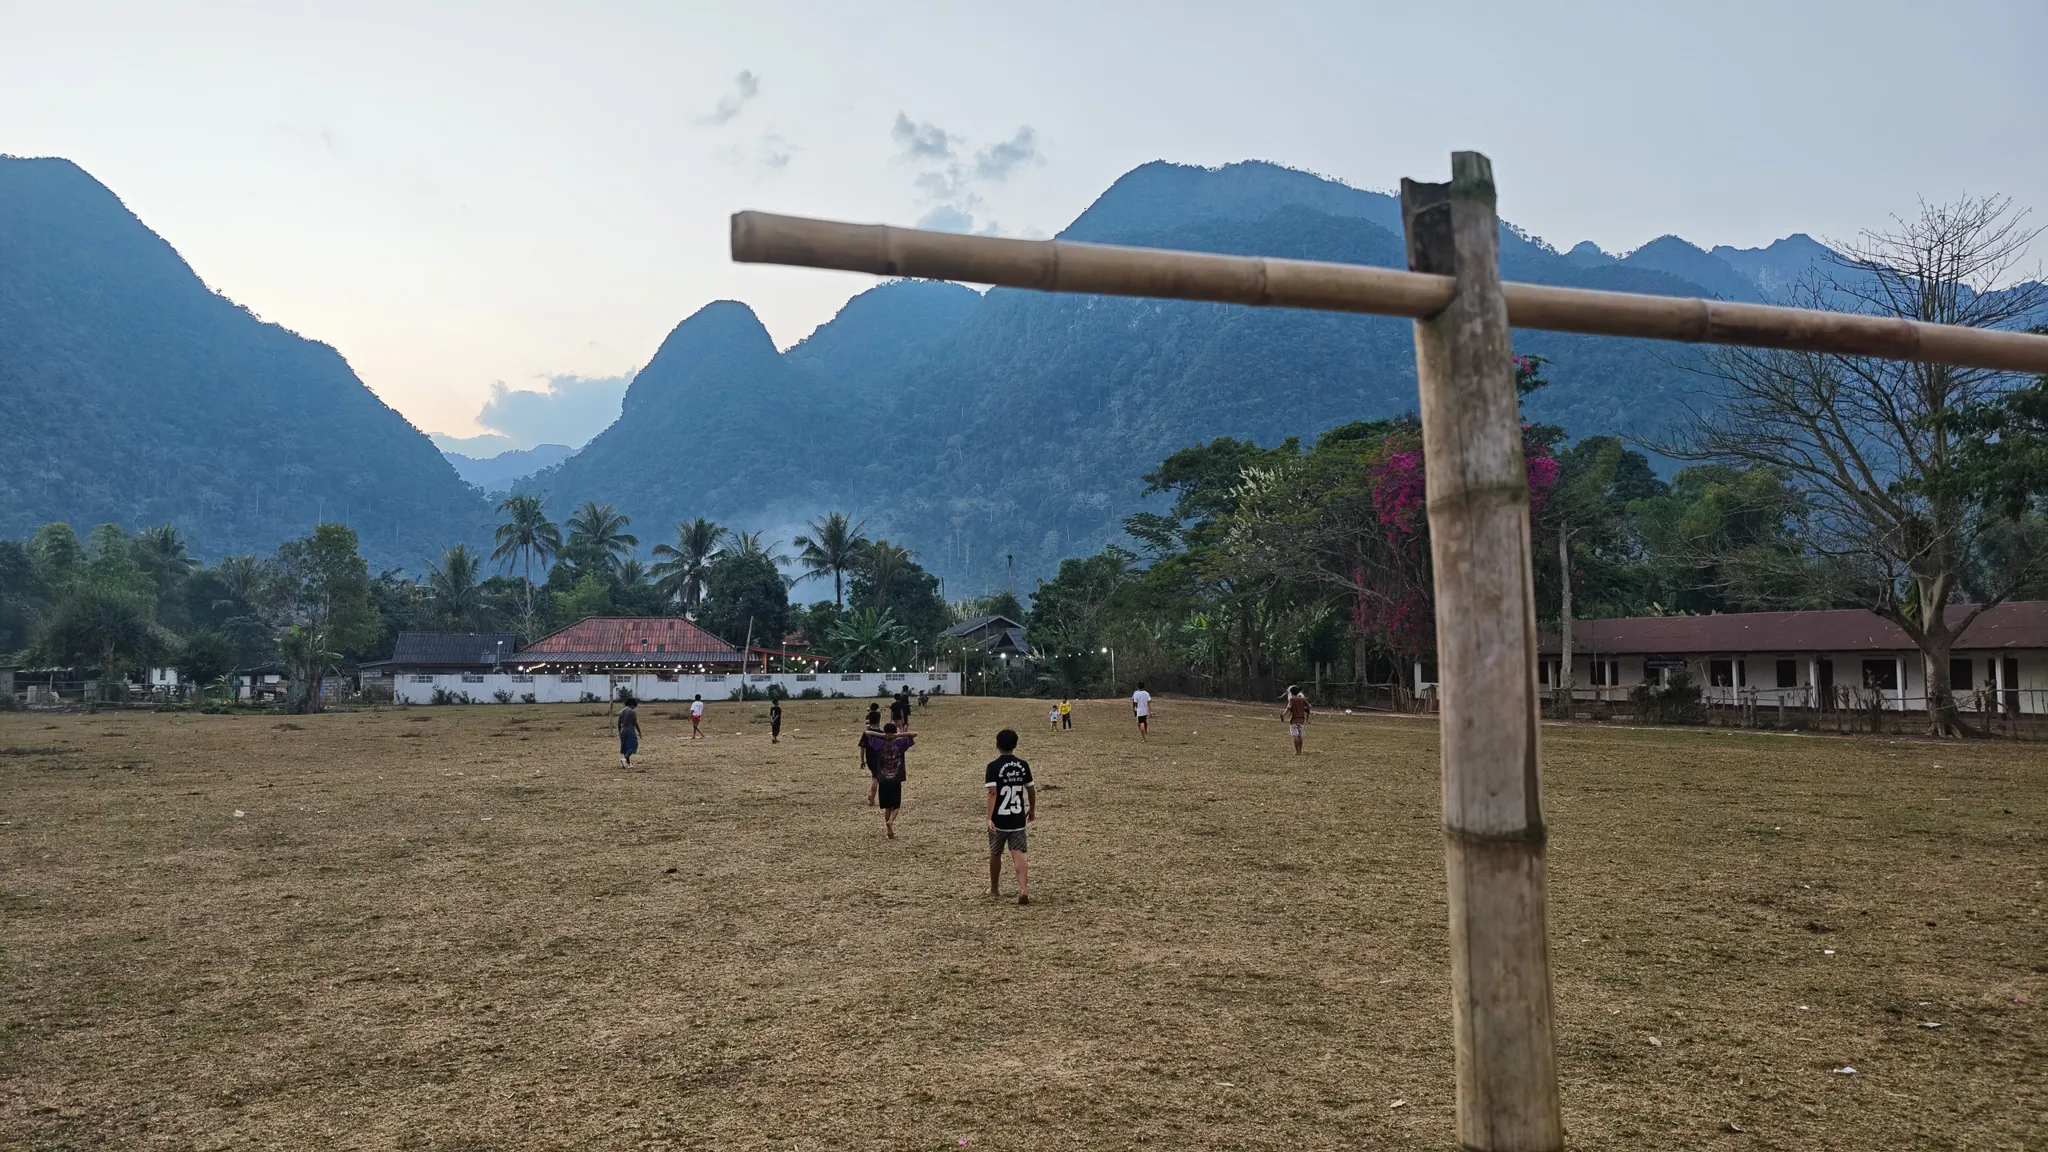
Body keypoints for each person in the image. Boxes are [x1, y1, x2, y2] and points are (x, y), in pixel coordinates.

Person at [985, 728, 1035, 905]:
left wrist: (989, 817)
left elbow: (992, 793)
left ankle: (994, 888)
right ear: (1015, 744)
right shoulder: (1023, 765)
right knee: (1018, 852)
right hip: (1017, 818)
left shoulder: (993, 766)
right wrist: (1032, 809)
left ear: (997, 744)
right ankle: (1023, 889)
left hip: (999, 819)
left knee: (995, 852)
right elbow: (1030, 789)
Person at [860, 721, 916, 838]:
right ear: (895, 732)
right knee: (896, 805)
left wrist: (883, 736)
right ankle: (891, 822)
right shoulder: (900, 744)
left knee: (887, 806)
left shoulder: (879, 744)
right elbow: (914, 734)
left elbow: (867, 732)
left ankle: (887, 826)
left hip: (883, 778)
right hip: (896, 778)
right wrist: (898, 735)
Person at [860, 707, 885, 806]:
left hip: (870, 758)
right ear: (879, 720)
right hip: (880, 758)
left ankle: (872, 798)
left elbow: (862, 748)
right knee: (876, 778)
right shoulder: (882, 733)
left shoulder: (866, 733)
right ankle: (872, 800)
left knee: (875, 776)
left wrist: (862, 760)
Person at [1283, 685, 1311, 755]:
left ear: (1291, 693)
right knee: (1300, 736)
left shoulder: (1291, 699)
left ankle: (1297, 751)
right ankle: (1300, 751)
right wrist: (1303, 709)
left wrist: (1283, 715)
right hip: (1301, 720)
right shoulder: (1302, 699)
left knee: (1295, 735)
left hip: (1294, 720)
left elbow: (1288, 708)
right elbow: (1309, 706)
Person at [616, 692, 641, 767]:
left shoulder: (621, 712)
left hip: (623, 730)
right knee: (633, 746)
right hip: (630, 731)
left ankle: (627, 764)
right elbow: (635, 723)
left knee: (625, 747)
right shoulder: (632, 712)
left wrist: (620, 732)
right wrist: (640, 732)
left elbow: (618, 724)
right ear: (632, 704)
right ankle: (624, 759)